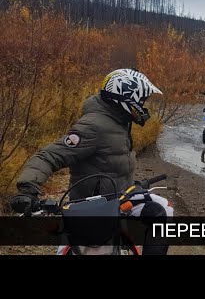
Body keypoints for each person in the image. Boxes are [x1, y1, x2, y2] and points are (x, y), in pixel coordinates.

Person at [9, 68, 170, 255]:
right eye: (141, 100)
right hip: (91, 206)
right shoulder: (94, 126)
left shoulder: (119, 120)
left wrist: (130, 185)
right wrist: (27, 190)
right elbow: (50, 155)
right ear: (125, 96)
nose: (142, 106)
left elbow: (112, 163)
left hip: (120, 198)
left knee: (162, 210)